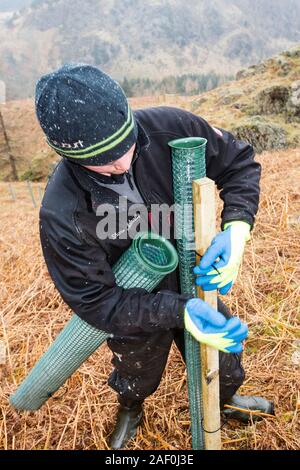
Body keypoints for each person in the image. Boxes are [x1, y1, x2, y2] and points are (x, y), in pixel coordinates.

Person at [35, 64, 274, 449]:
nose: (122, 164)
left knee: (222, 359)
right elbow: (96, 301)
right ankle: (131, 405)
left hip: (193, 271)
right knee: (138, 367)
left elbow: (238, 162)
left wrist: (237, 230)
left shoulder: (170, 127)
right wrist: (176, 311)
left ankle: (226, 399)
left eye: (126, 146)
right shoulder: (63, 212)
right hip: (131, 298)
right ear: (69, 156)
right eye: (104, 161)